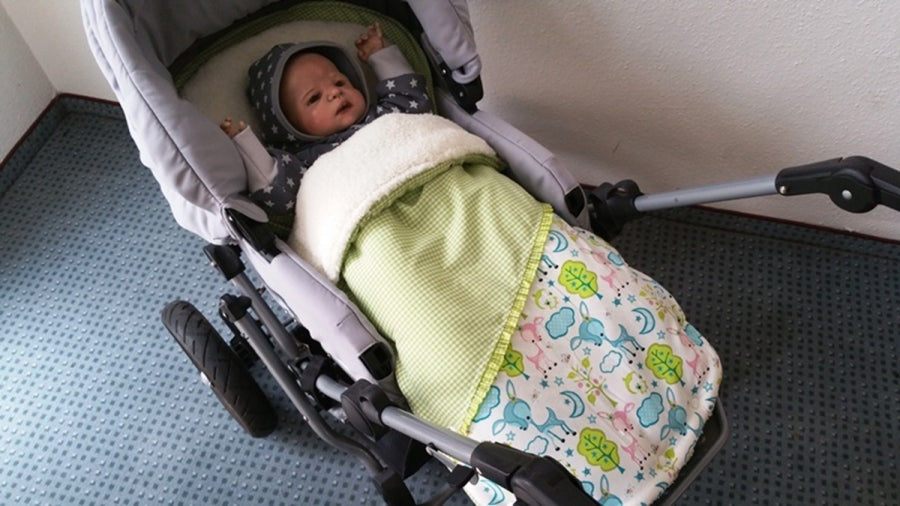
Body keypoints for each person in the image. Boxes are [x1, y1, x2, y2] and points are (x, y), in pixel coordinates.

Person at [221, 23, 431, 235]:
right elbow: (277, 192)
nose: (334, 92)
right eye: (314, 98)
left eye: (339, 82)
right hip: (372, 225)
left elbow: (413, 99)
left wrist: (379, 55)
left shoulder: (382, 116)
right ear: (287, 126)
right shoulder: (303, 164)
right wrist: (245, 144)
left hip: (427, 186)